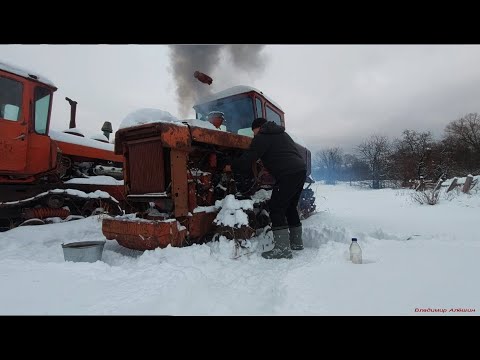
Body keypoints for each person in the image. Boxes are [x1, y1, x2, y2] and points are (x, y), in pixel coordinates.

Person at [227, 117, 307, 259]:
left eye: (254, 132)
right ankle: (296, 243)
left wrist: (231, 166)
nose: (254, 135)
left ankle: (282, 250)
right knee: (290, 206)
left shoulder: (262, 137)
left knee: (276, 208)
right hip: (300, 171)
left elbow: (248, 160)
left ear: (259, 128)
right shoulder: (282, 134)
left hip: (287, 174)